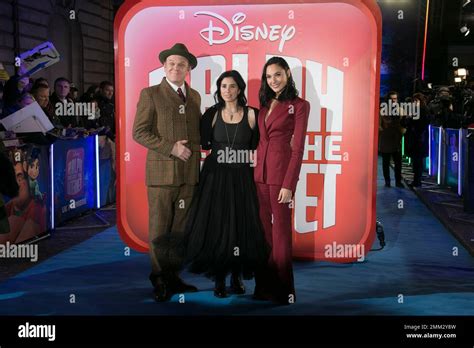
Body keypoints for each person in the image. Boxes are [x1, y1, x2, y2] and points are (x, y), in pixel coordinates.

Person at [185, 70, 269, 298]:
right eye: (223, 86)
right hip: (215, 176)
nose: (228, 91)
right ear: (218, 90)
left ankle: (236, 277)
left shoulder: (253, 114)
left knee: (241, 226)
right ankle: (220, 279)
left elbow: (262, 145)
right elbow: (203, 142)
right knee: (218, 226)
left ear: (240, 89)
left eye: (232, 86)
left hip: (242, 176)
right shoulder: (211, 114)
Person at [133, 43, 201, 302]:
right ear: (164, 67)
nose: (176, 67)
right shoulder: (150, 94)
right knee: (160, 229)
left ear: (188, 69)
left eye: (181, 64)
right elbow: (139, 132)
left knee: (181, 230)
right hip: (162, 175)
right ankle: (160, 279)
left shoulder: (194, 96)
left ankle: (174, 276)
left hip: (189, 175)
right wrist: (170, 148)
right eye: (171, 63)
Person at [253, 56, 310, 304]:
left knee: (281, 236)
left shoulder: (299, 105)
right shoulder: (264, 106)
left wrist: (289, 184)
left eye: (277, 74)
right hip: (259, 176)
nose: (273, 80)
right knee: (264, 234)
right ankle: (264, 287)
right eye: (268, 76)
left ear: (287, 73)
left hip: (280, 177)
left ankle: (285, 290)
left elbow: (297, 149)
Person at [379, 91, 404, 188]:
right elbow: (379, 124)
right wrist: (383, 130)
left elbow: (403, 122)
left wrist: (401, 132)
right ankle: (387, 181)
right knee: (386, 162)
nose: (394, 100)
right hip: (386, 138)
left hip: (396, 138)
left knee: (398, 162)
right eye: (392, 98)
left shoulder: (399, 109)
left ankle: (398, 181)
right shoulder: (383, 110)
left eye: (395, 98)